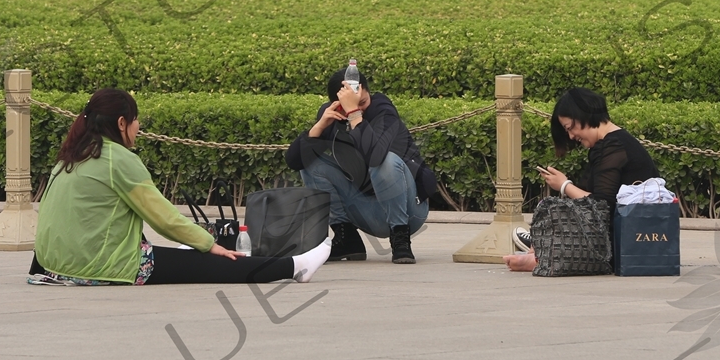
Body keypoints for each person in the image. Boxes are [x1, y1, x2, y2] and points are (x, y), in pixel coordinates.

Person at [31, 88, 333, 286]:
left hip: (52, 265)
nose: (139, 128)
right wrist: (209, 245)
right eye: (136, 121)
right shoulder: (118, 159)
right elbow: (163, 217)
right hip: (100, 267)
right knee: (212, 264)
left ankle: (282, 264)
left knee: (187, 251)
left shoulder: (71, 154)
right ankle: (293, 267)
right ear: (122, 123)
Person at [287, 65, 438, 265]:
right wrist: (320, 126)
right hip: (367, 210)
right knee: (311, 164)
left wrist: (355, 114)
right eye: (349, 105)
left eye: (363, 102)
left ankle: (400, 239)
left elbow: (375, 156)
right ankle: (347, 239)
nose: (358, 107)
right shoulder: (331, 114)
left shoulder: (383, 110)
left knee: (386, 160)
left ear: (368, 93)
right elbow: (294, 161)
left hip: (410, 210)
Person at [505, 87, 661, 274]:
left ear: (583, 116)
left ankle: (542, 254)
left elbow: (601, 205)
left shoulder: (611, 146)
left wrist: (564, 185)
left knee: (551, 207)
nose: (571, 136)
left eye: (570, 128)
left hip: (621, 240)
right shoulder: (614, 141)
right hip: (632, 232)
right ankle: (538, 248)